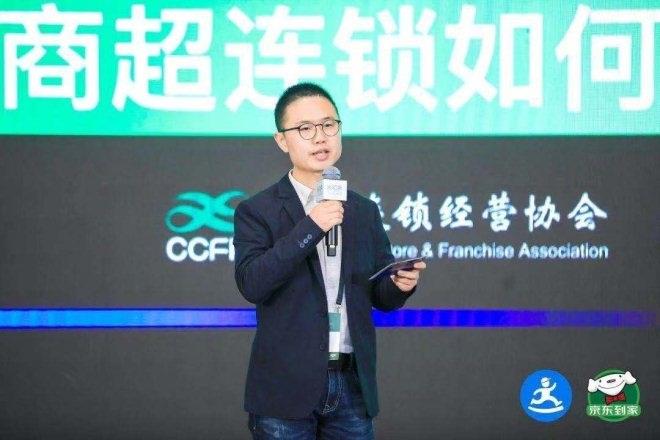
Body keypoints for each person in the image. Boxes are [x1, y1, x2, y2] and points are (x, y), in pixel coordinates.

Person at [233, 82, 426, 439]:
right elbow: (252, 283)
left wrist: (399, 285)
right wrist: (312, 226)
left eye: (328, 125)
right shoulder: (257, 211)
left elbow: (379, 295)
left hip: (351, 385)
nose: (320, 137)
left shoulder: (363, 210)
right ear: (282, 140)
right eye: (305, 128)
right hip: (285, 389)